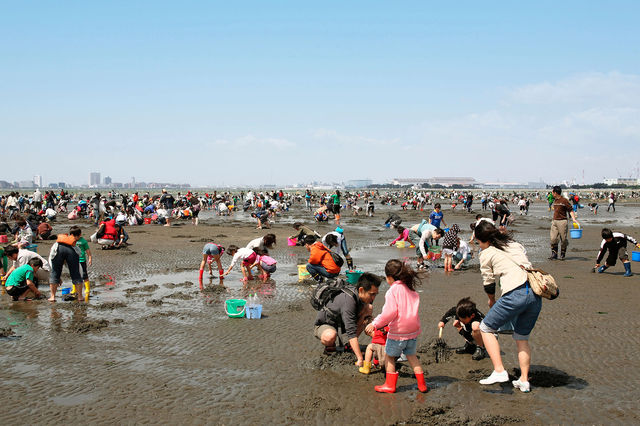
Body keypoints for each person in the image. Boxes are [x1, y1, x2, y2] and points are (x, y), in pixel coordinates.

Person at [475, 221, 541, 393]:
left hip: (515, 293)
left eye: (478, 242)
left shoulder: (486, 253)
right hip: (535, 293)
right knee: (521, 337)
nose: (479, 246)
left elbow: (488, 283)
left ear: (484, 241)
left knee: (486, 327)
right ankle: (524, 381)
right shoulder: (514, 244)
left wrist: (491, 300)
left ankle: (499, 370)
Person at [365, 259, 427, 393]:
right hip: (413, 329)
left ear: (389, 277)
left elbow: (389, 313)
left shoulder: (393, 290)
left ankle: (390, 385)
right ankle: (422, 384)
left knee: (389, 356)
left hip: (399, 331)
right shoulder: (410, 289)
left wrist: (375, 323)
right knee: (412, 356)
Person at [314, 272, 381, 364]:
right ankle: (330, 348)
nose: (373, 298)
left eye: (375, 294)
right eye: (372, 294)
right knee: (330, 336)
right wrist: (360, 359)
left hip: (342, 320)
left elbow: (366, 319)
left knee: (369, 308)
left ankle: (349, 346)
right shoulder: (348, 301)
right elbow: (351, 332)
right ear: (361, 290)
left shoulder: (361, 296)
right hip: (326, 323)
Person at [48, 227, 84, 302]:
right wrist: (79, 276)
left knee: (54, 274)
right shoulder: (73, 244)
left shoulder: (57, 243)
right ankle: (80, 296)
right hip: (71, 251)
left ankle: (52, 297)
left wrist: (58, 277)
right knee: (76, 274)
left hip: (58, 250)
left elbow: (52, 262)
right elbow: (79, 254)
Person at [549, 186, 580, 260]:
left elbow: (570, 210)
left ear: (555, 193)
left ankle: (562, 254)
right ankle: (554, 254)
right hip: (554, 221)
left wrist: (574, 219)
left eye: (552, 192)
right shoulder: (555, 200)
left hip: (562, 221)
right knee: (553, 238)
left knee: (563, 239)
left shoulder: (564, 201)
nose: (552, 193)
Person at [72, 227, 92, 298]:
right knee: (74, 275)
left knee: (84, 275)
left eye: (75, 236)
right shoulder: (71, 241)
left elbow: (87, 250)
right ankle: (74, 289)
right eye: (72, 236)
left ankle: (87, 288)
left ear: (79, 235)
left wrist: (89, 257)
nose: (74, 237)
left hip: (82, 260)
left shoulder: (83, 241)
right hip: (74, 260)